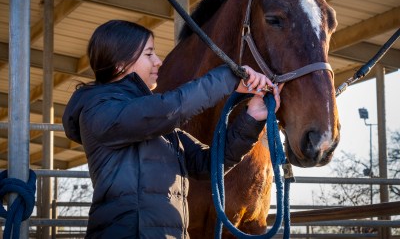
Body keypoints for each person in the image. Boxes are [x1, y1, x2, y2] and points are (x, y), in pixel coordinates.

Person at [62, 20, 281, 239]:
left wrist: (252, 118)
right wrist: (228, 77)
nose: (158, 62)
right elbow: (170, 108)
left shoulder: (160, 129)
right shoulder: (99, 109)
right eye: (149, 54)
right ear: (119, 64)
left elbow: (211, 163)